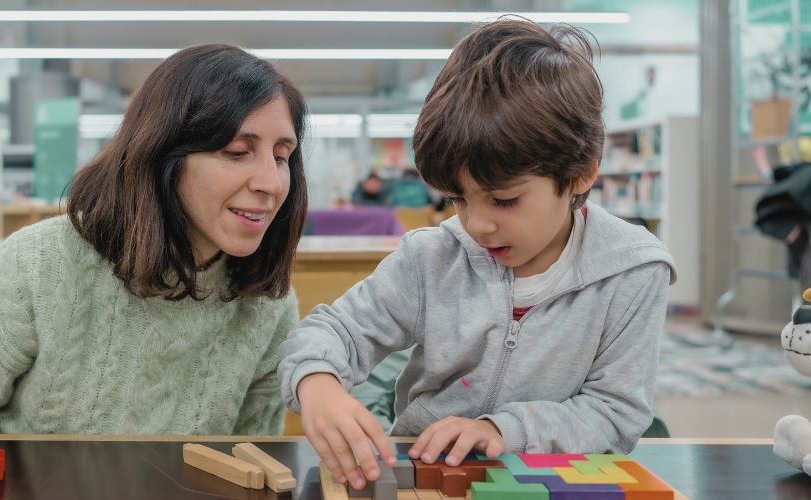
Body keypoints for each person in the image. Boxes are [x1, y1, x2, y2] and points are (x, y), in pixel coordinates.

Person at [278, 18, 676, 490]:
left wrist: (502, 430)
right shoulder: (432, 257)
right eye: (458, 199)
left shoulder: (633, 271)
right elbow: (332, 331)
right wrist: (317, 382)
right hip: (425, 476)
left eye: (504, 200)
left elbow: (615, 412)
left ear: (581, 174)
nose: (477, 225)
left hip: (553, 480)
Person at [0, 44, 309, 435]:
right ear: (163, 154)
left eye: (281, 157)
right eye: (237, 152)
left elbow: (251, 461)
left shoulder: (268, 306)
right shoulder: (37, 268)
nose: (271, 183)